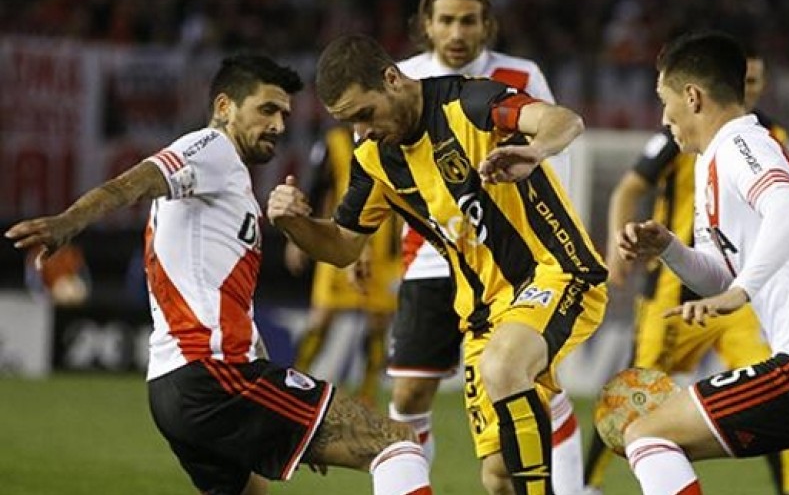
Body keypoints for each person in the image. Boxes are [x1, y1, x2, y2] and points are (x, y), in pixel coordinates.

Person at [6, 55, 431, 495]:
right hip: (214, 374)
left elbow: (232, 305)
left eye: (284, 115)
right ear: (225, 107)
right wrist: (69, 222)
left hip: (177, 387)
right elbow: (137, 181)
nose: (278, 125)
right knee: (395, 443)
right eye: (267, 109)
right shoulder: (211, 148)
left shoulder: (229, 185)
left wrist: (292, 415)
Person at [268, 34, 607, 495]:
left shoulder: (468, 101)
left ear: (392, 79)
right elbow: (344, 245)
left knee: (505, 365)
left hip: (556, 271)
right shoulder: (374, 159)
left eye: (365, 114)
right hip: (483, 312)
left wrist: (536, 150)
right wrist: (293, 224)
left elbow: (563, 120)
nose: (362, 131)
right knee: (499, 476)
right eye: (350, 122)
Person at [616, 31, 789, 495]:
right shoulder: (714, 161)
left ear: (693, 97)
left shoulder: (741, 146)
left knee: (647, 434)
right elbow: (717, 277)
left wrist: (741, 292)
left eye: (665, 101)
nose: (664, 117)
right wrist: (669, 248)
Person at [389, 0, 586, 492]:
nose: (457, 33)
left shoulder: (519, 75)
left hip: (511, 263)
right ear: (427, 25)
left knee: (534, 387)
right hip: (432, 259)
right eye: (446, 21)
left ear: (486, 25)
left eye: (468, 21)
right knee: (410, 393)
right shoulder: (401, 79)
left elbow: (554, 150)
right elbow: (379, 173)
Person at [582, 53, 789, 495]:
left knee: (773, 387)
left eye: (755, 80)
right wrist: (617, 248)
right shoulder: (680, 133)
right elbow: (628, 189)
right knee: (634, 389)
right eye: (743, 79)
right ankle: (587, 485)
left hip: (740, 295)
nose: (749, 87)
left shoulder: (771, 136)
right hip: (674, 292)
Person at [285, 124, 402, 406]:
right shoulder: (334, 142)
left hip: (385, 250)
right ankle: (294, 385)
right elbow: (316, 188)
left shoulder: (395, 137)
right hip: (339, 242)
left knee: (379, 323)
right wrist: (299, 236)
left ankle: (367, 395)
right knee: (322, 318)